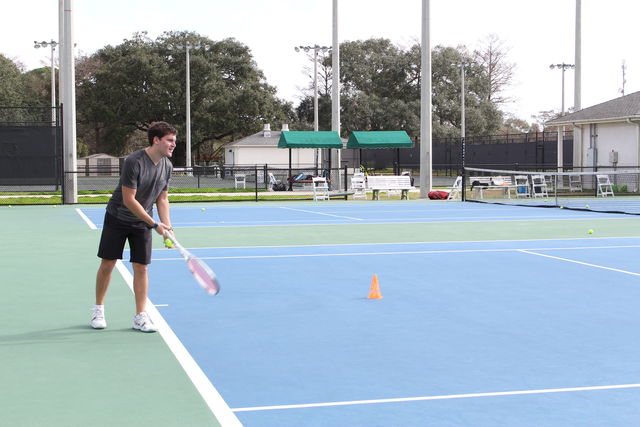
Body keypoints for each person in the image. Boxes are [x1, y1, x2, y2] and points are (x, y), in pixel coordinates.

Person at [90, 121, 176, 332]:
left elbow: (162, 199)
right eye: (170, 140)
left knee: (141, 267)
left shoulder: (167, 165)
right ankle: (98, 309)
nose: (174, 144)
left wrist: (168, 227)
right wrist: (155, 224)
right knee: (108, 263)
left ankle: (140, 317)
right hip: (118, 217)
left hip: (143, 221)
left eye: (174, 140)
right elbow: (129, 199)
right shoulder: (134, 161)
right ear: (156, 140)